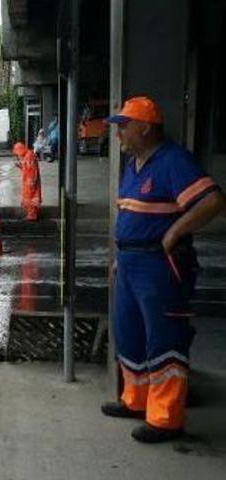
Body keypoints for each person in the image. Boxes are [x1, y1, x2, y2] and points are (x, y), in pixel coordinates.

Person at [102, 96, 225, 443]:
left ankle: (166, 419)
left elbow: (213, 201)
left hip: (160, 266)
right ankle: (136, 400)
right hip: (130, 265)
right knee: (130, 334)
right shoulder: (134, 166)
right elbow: (131, 216)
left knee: (164, 339)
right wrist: (120, 258)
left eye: (124, 126)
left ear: (145, 127)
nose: (118, 134)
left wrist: (174, 231)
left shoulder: (174, 161)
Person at [13, 142, 42, 221]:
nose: (18, 155)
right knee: (29, 197)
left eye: (17, 153)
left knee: (31, 198)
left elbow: (32, 170)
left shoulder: (29, 155)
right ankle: (32, 214)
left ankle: (32, 215)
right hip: (28, 181)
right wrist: (20, 166)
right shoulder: (27, 155)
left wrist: (32, 181)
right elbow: (26, 168)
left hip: (30, 181)